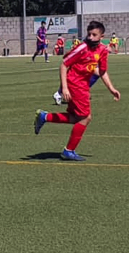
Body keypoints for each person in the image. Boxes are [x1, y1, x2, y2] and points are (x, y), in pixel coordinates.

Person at [35, 21, 121, 161]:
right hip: (74, 84)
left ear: (101, 36)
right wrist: (64, 88)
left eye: (94, 35)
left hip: (83, 85)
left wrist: (111, 89)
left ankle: (45, 117)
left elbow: (102, 71)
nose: (90, 37)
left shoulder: (102, 50)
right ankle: (68, 151)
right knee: (86, 118)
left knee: (76, 118)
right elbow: (64, 65)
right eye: (89, 34)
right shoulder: (82, 48)